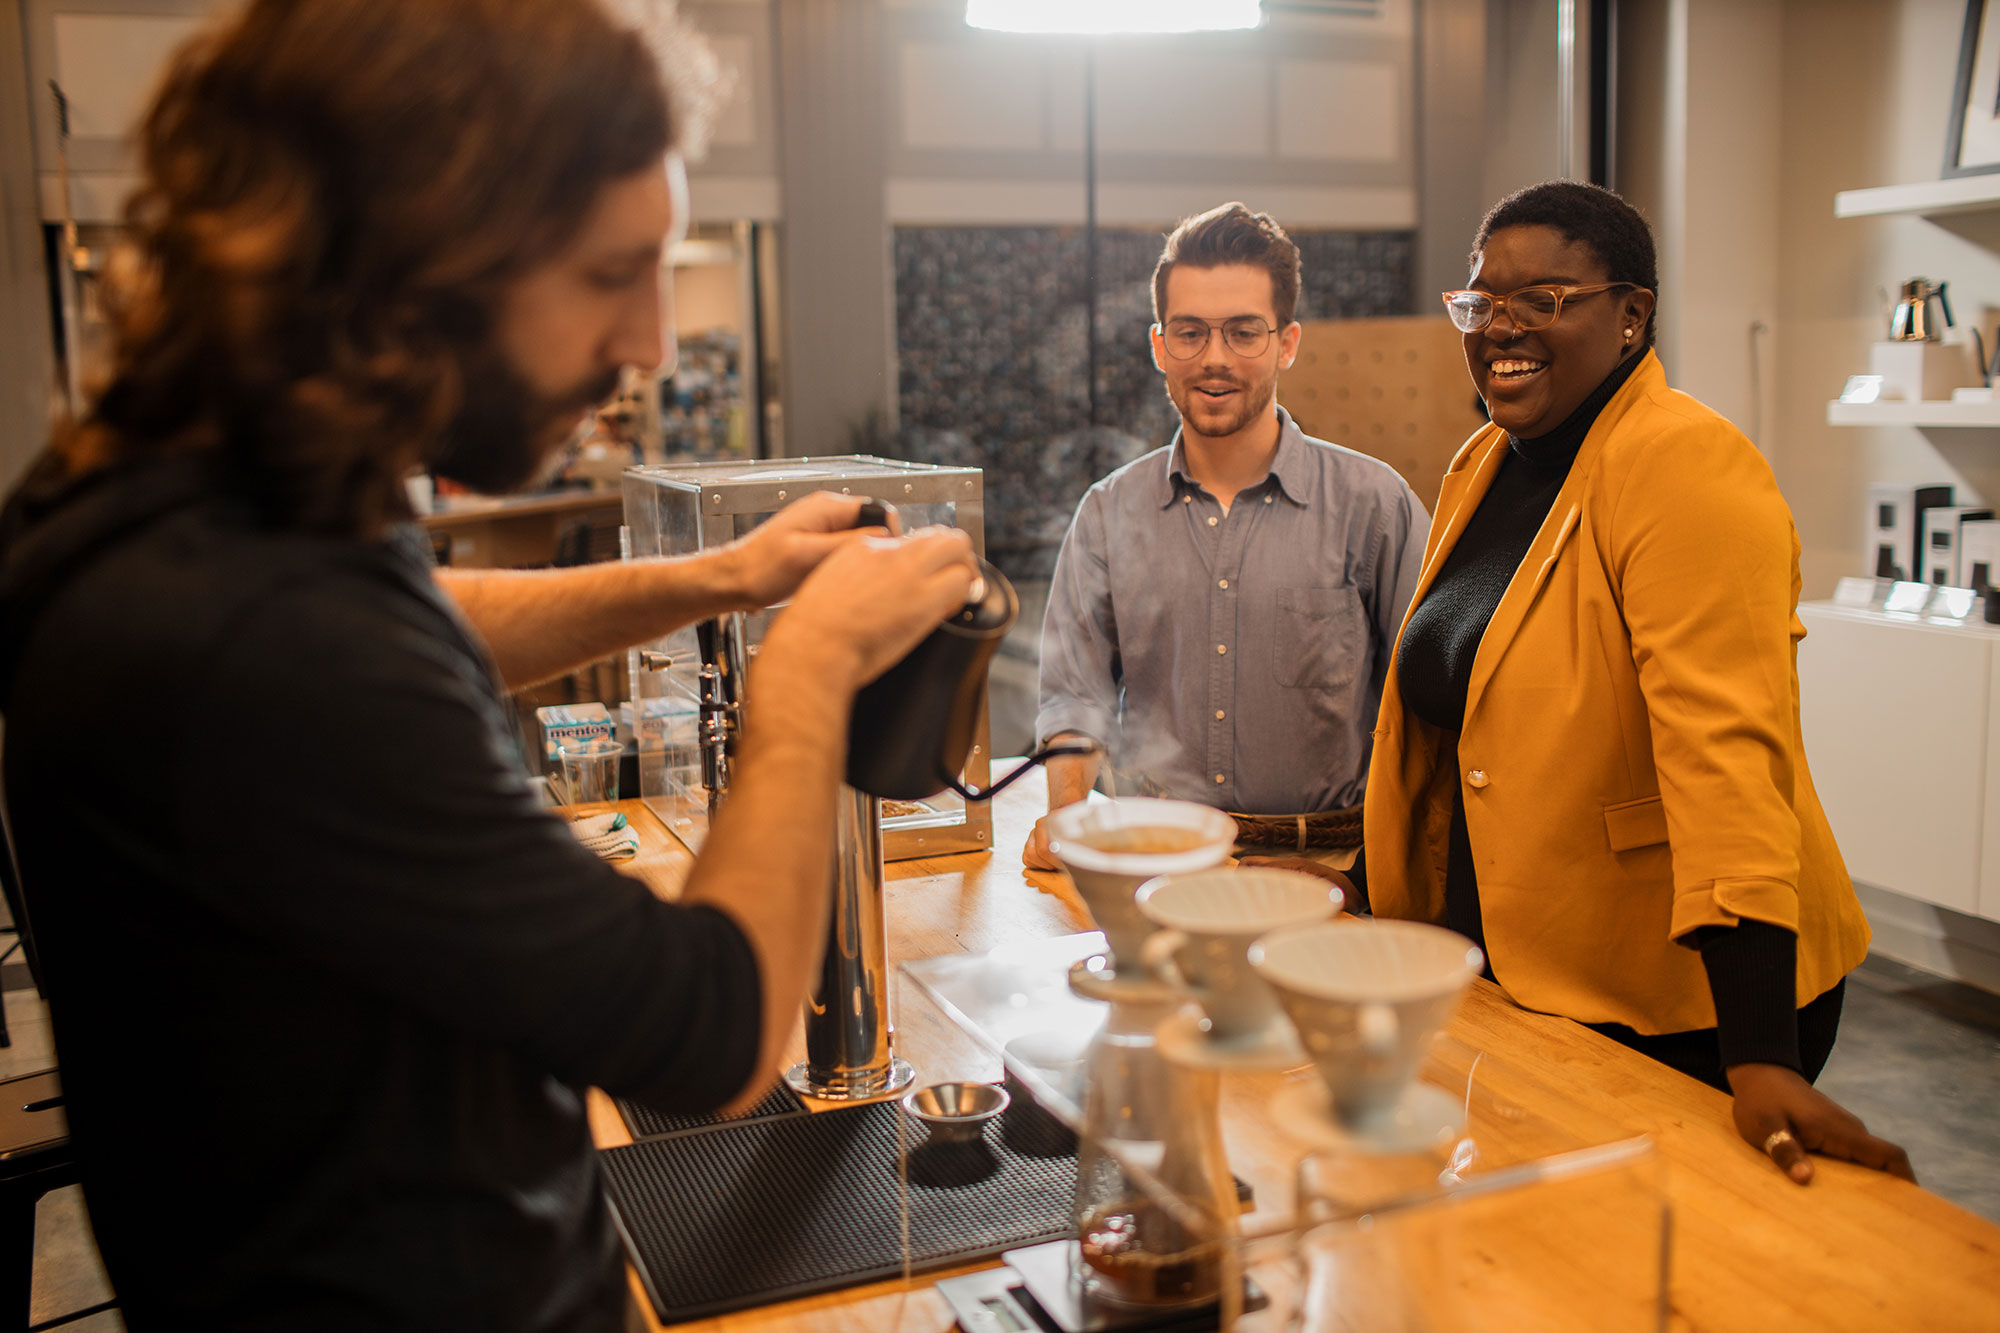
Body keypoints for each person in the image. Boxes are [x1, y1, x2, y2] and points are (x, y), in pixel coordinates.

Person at [0, 2, 977, 1328]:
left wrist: (721, 578)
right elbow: (716, 1023)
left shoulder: (195, 511)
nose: (649, 342)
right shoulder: (248, 641)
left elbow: (418, 616)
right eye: (605, 273)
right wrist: (800, 669)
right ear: (419, 252)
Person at [1353, 180, 1912, 1185]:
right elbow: (1457, 723)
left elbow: (1722, 751)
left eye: (1544, 299)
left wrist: (1758, 1052)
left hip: (1684, 989)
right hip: (1524, 960)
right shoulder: (1485, 461)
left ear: (1629, 315)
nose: (1501, 327)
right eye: (1481, 302)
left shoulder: (1681, 463)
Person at [1025, 203, 1427, 870]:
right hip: (1155, 864)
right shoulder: (1107, 512)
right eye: (1190, 333)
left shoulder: (1376, 505)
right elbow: (1075, 693)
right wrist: (1067, 816)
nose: (1215, 359)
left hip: (1336, 872)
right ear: (1159, 346)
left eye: (1244, 332)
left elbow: (1428, 697)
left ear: (1287, 342)